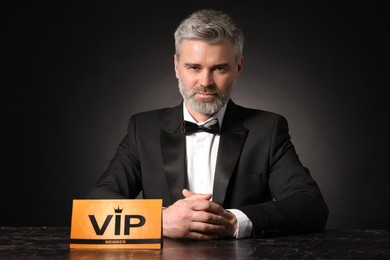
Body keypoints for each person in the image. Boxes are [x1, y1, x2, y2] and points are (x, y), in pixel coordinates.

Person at [86, 9, 329, 240]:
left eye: (219, 68)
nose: (205, 82)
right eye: (194, 67)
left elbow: (311, 206)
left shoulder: (268, 129)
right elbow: (96, 205)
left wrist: (234, 222)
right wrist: (160, 221)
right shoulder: (143, 128)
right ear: (176, 67)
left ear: (238, 68)